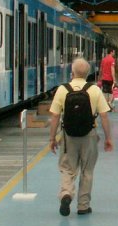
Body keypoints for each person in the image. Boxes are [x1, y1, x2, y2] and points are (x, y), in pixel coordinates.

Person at [47, 58, 113, 217]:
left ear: (72, 72)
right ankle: (83, 206)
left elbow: (55, 116)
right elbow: (104, 116)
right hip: (89, 135)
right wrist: (108, 138)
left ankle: (66, 194)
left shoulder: (63, 90)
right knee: (87, 170)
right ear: (88, 73)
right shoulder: (94, 90)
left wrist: (52, 139)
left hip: (68, 136)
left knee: (67, 168)